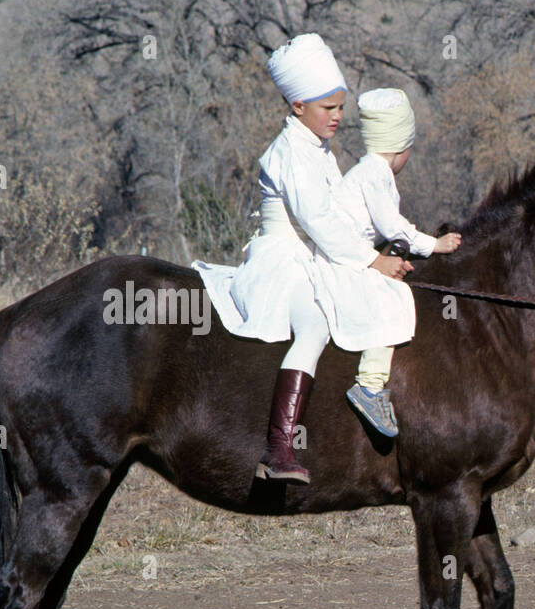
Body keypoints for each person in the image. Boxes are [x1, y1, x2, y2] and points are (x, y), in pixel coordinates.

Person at [192, 33, 412, 484]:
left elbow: (337, 217)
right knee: (314, 326)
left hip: (315, 255)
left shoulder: (318, 148)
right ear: (297, 107)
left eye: (340, 107)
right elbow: (318, 221)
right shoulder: (289, 151)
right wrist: (371, 261)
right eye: (327, 108)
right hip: (284, 262)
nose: (337, 116)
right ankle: (278, 450)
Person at [333, 88, 462, 435]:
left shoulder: (369, 172)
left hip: (358, 255)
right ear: (401, 148)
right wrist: (434, 245)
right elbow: (393, 226)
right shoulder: (375, 175)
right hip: (344, 261)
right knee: (392, 297)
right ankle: (370, 386)